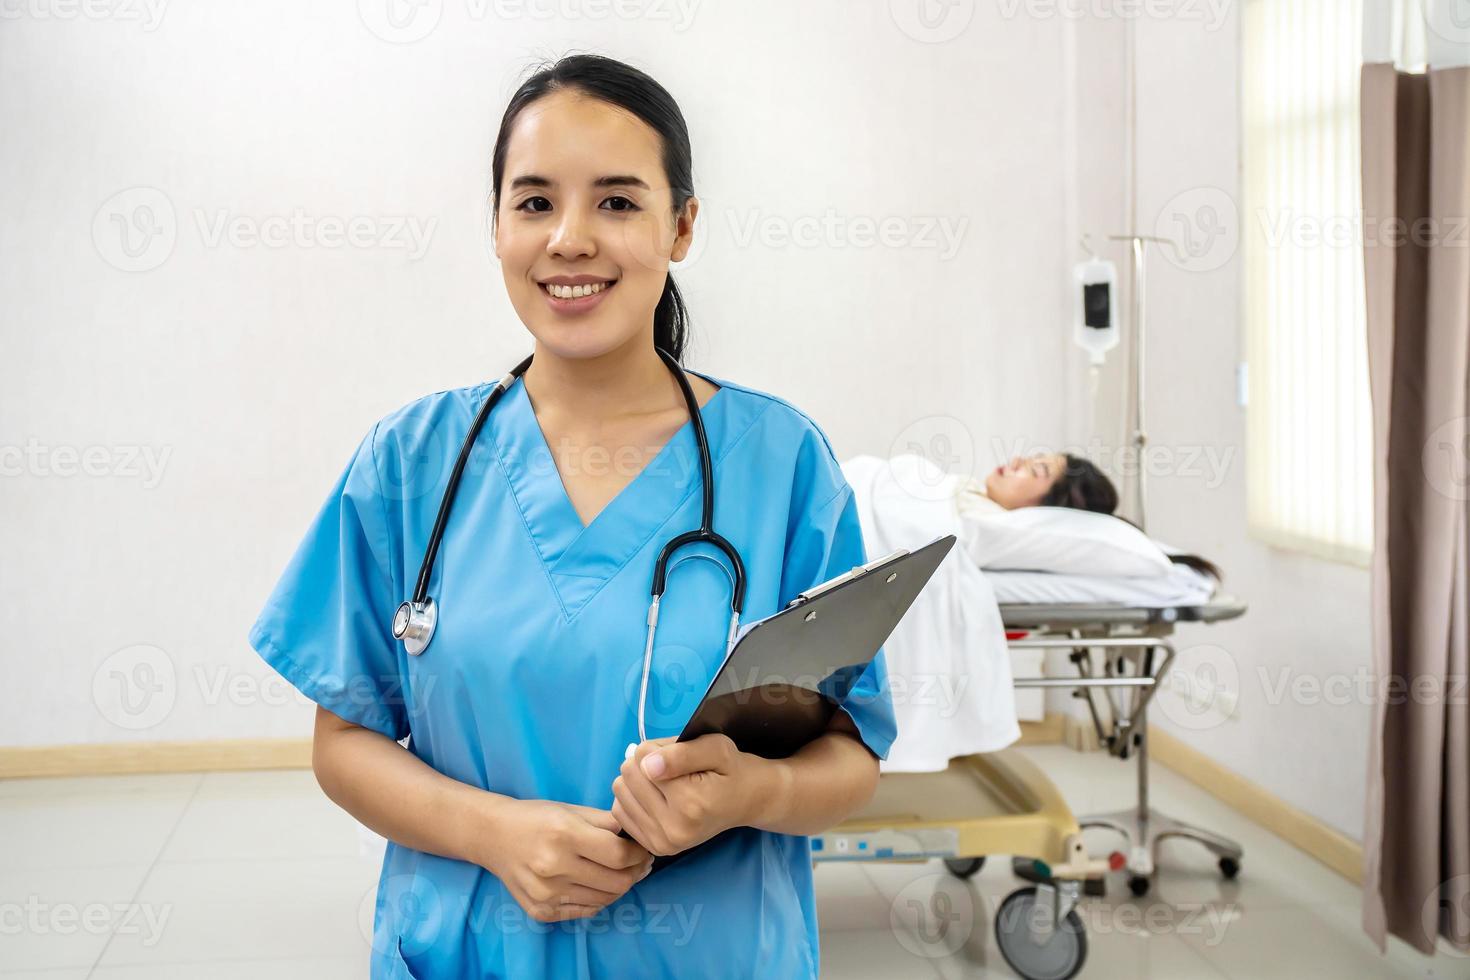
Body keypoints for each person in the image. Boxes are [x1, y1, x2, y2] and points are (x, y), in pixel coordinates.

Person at [246, 54, 895, 979]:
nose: (571, 240)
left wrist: (753, 790)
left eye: (620, 202)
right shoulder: (410, 460)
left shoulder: (783, 461)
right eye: (536, 202)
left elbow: (852, 756)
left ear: (682, 227)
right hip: (469, 952)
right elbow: (344, 743)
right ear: (499, 225)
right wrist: (495, 833)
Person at [959, 452, 1120, 514]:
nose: (1015, 461)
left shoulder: (975, 524)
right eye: (1032, 459)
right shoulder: (966, 490)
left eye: (1036, 470)